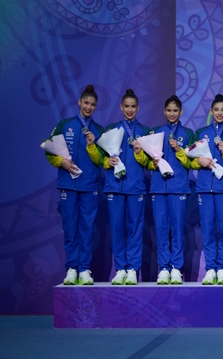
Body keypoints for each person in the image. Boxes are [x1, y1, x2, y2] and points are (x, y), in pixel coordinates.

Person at [44, 85, 105, 285]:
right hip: (68, 186)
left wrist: (92, 145)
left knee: (87, 228)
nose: (89, 107)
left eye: (92, 105)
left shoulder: (98, 130)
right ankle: (71, 268)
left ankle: (84, 269)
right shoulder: (65, 125)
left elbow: (101, 160)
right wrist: (61, 162)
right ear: (79, 102)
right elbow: (49, 149)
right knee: (70, 228)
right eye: (86, 103)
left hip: (89, 186)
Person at [190, 94, 223, 285]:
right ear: (211, 112)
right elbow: (191, 159)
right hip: (205, 189)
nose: (219, 113)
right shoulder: (201, 133)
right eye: (216, 110)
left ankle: (222, 269)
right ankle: (210, 269)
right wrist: (199, 161)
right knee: (207, 230)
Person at [141, 94, 194, 285]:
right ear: (164, 112)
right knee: (162, 229)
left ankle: (177, 268)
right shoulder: (155, 133)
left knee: (177, 229)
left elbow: (192, 162)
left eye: (175, 111)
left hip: (178, 187)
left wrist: (179, 150)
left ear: (181, 112)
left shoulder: (188, 134)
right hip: (158, 188)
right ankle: (164, 268)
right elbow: (145, 162)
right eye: (169, 111)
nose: (172, 114)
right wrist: (148, 160)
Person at [101, 88, 151, 285]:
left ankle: (132, 269)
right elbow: (101, 158)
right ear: (121, 107)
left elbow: (151, 163)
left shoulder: (145, 132)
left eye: (133, 107)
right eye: (126, 107)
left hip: (135, 187)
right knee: (116, 228)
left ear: (138, 108)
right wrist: (108, 163)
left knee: (135, 229)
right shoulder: (111, 129)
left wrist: (139, 153)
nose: (130, 110)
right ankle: (120, 268)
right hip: (115, 186)